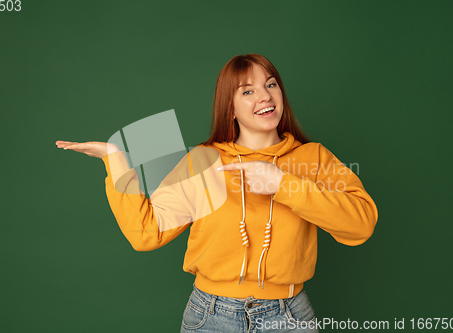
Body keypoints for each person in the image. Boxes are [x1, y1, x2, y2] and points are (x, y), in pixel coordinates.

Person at [56, 53, 378, 332]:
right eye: (248, 90)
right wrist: (116, 159)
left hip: (289, 317)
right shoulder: (204, 162)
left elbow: (361, 224)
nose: (264, 96)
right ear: (231, 108)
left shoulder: (314, 158)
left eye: (271, 84)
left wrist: (283, 184)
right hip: (211, 317)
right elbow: (146, 233)